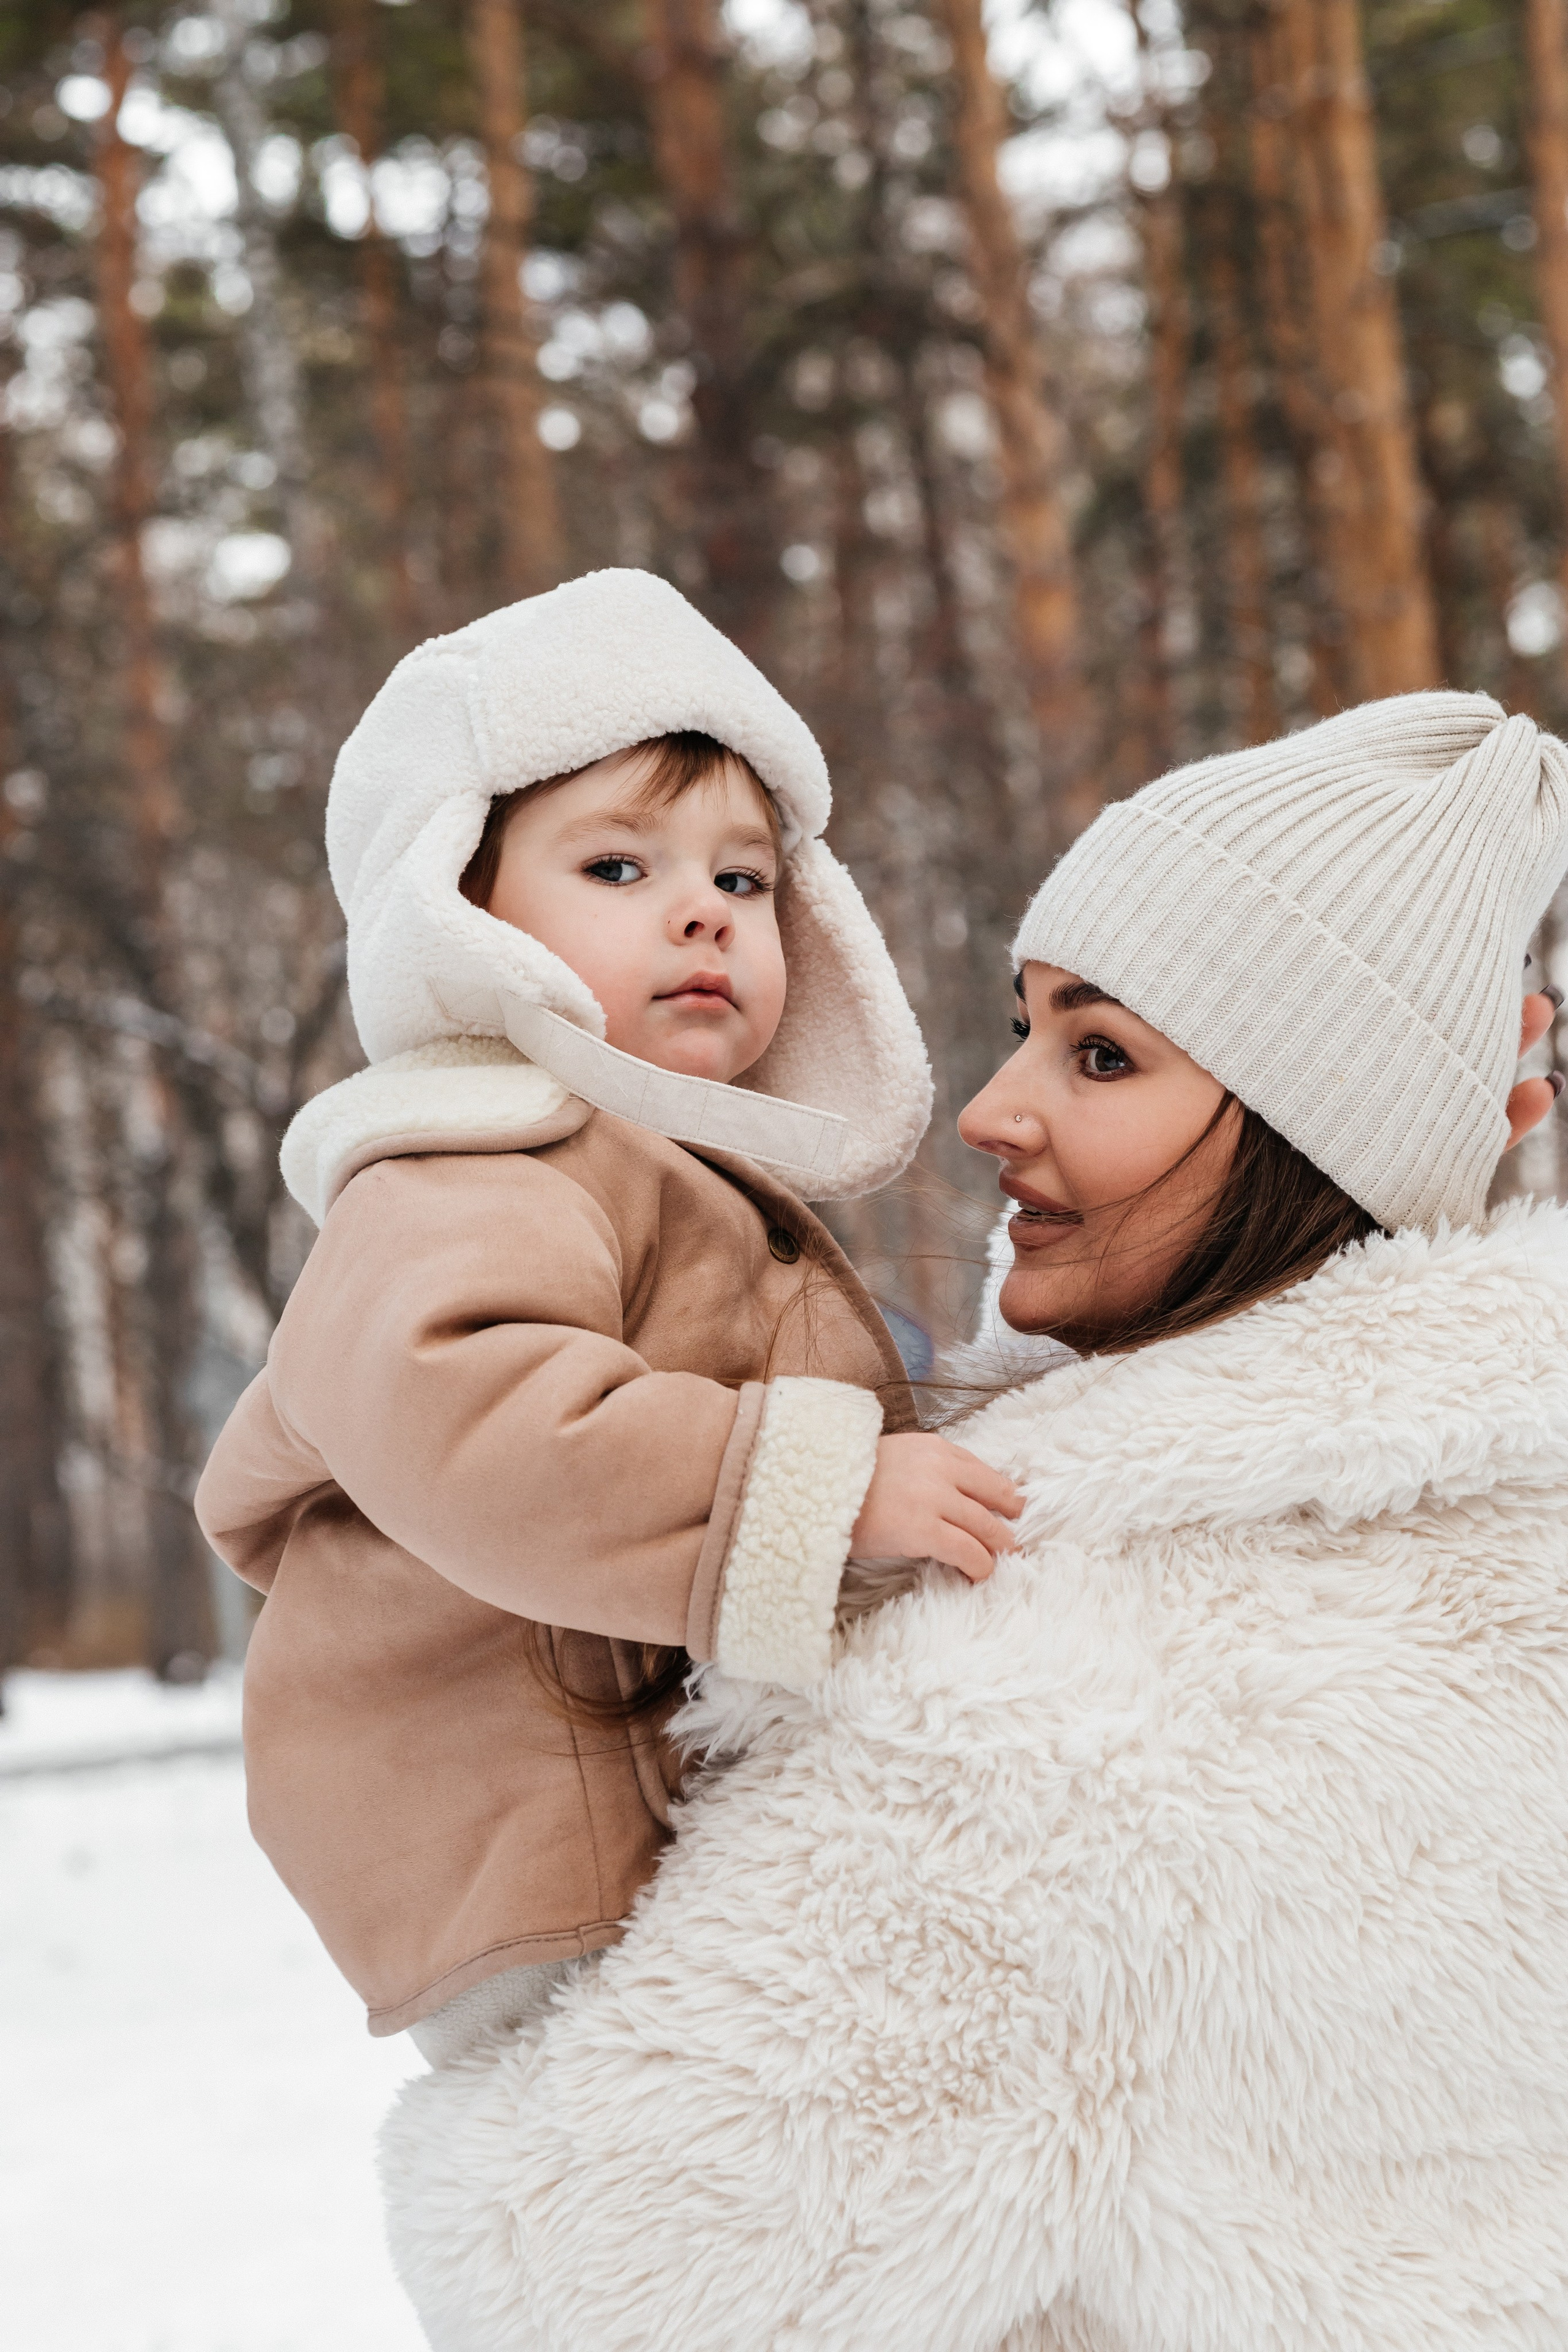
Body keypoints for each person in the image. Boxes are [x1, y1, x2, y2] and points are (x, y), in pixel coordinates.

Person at [381, 690, 1568, 2351]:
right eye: (1023, 1027)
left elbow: (597, 2276)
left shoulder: (1042, 1698)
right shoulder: (1523, 1550)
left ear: (1330, 1119)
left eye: (1100, 1053)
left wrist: (485, 2067)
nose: (994, 1111)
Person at [193, 568, 1018, 2064]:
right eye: (618, 870)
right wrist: (824, 1491)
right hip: (527, 1831)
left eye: (744, 879)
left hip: (607, 1808)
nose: (701, 909)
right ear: (466, 917)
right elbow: (473, 1411)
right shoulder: (472, 1153)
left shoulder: (651, 1162)